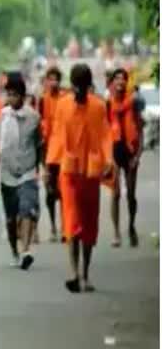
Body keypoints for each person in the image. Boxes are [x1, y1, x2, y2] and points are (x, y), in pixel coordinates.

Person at [47, 64, 113, 293]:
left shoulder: (99, 106)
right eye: (77, 87)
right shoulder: (63, 105)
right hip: (69, 172)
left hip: (91, 173)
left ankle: (85, 273)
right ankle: (74, 273)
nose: (80, 92)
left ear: (88, 86)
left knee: (89, 224)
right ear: (73, 85)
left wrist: (108, 162)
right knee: (72, 222)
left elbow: (106, 135)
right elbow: (56, 135)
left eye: (84, 88)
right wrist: (50, 166)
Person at [0, 72, 42, 269]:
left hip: (28, 171)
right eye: (9, 94)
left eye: (15, 95)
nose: (11, 98)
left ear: (22, 96)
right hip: (7, 173)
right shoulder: (2, 117)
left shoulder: (33, 117)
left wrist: (40, 167)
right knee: (11, 219)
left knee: (27, 210)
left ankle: (26, 250)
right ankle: (15, 250)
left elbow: (39, 144)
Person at [107, 68, 144, 247]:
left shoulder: (134, 103)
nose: (120, 81)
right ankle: (116, 233)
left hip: (131, 152)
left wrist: (138, 155)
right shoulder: (108, 104)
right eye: (117, 78)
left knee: (130, 194)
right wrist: (108, 157)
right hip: (115, 152)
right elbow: (104, 133)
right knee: (115, 194)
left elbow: (141, 130)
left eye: (123, 78)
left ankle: (131, 226)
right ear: (112, 82)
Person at [38, 66, 65, 242]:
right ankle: (54, 226)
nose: (53, 82)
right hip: (48, 152)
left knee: (64, 192)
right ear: (46, 81)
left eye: (56, 79)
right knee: (50, 191)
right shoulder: (42, 100)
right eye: (50, 79)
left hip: (63, 151)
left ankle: (65, 227)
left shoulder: (65, 99)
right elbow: (39, 128)